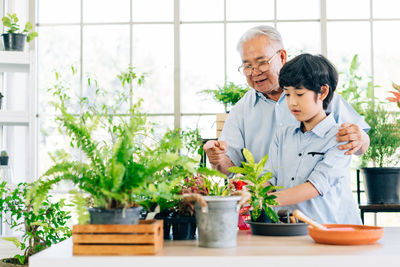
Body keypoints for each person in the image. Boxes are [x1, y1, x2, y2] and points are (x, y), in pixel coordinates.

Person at [204, 25, 370, 176]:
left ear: (282, 56)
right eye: (247, 66)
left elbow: (361, 142)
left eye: (261, 63)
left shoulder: (316, 94)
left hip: (316, 200)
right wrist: (217, 158)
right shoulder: (242, 109)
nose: (254, 72)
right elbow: (229, 167)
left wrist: (360, 138)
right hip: (264, 202)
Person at [266, 53, 361, 224]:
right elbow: (268, 178)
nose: (292, 102)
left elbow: (315, 186)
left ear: (323, 92)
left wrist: (263, 200)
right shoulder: (282, 136)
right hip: (289, 231)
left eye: (299, 94)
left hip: (330, 232)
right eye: (287, 94)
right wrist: (251, 193)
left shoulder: (340, 137)